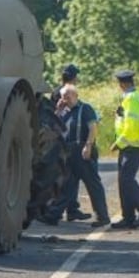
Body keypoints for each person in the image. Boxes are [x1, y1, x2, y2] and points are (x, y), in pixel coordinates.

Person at [37, 84, 111, 227]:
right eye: (63, 96)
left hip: (82, 150)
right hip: (68, 153)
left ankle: (103, 217)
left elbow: (93, 128)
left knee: (92, 184)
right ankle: (53, 215)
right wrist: (57, 110)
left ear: (76, 96)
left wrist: (88, 146)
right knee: (67, 186)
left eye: (68, 96)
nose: (65, 99)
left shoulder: (85, 109)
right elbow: (52, 127)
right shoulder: (64, 111)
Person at [110, 70, 139, 229]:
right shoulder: (133, 97)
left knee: (127, 179)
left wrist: (119, 142)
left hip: (133, 143)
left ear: (122, 84)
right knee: (123, 181)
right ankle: (128, 217)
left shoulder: (131, 99)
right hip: (131, 143)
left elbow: (132, 125)